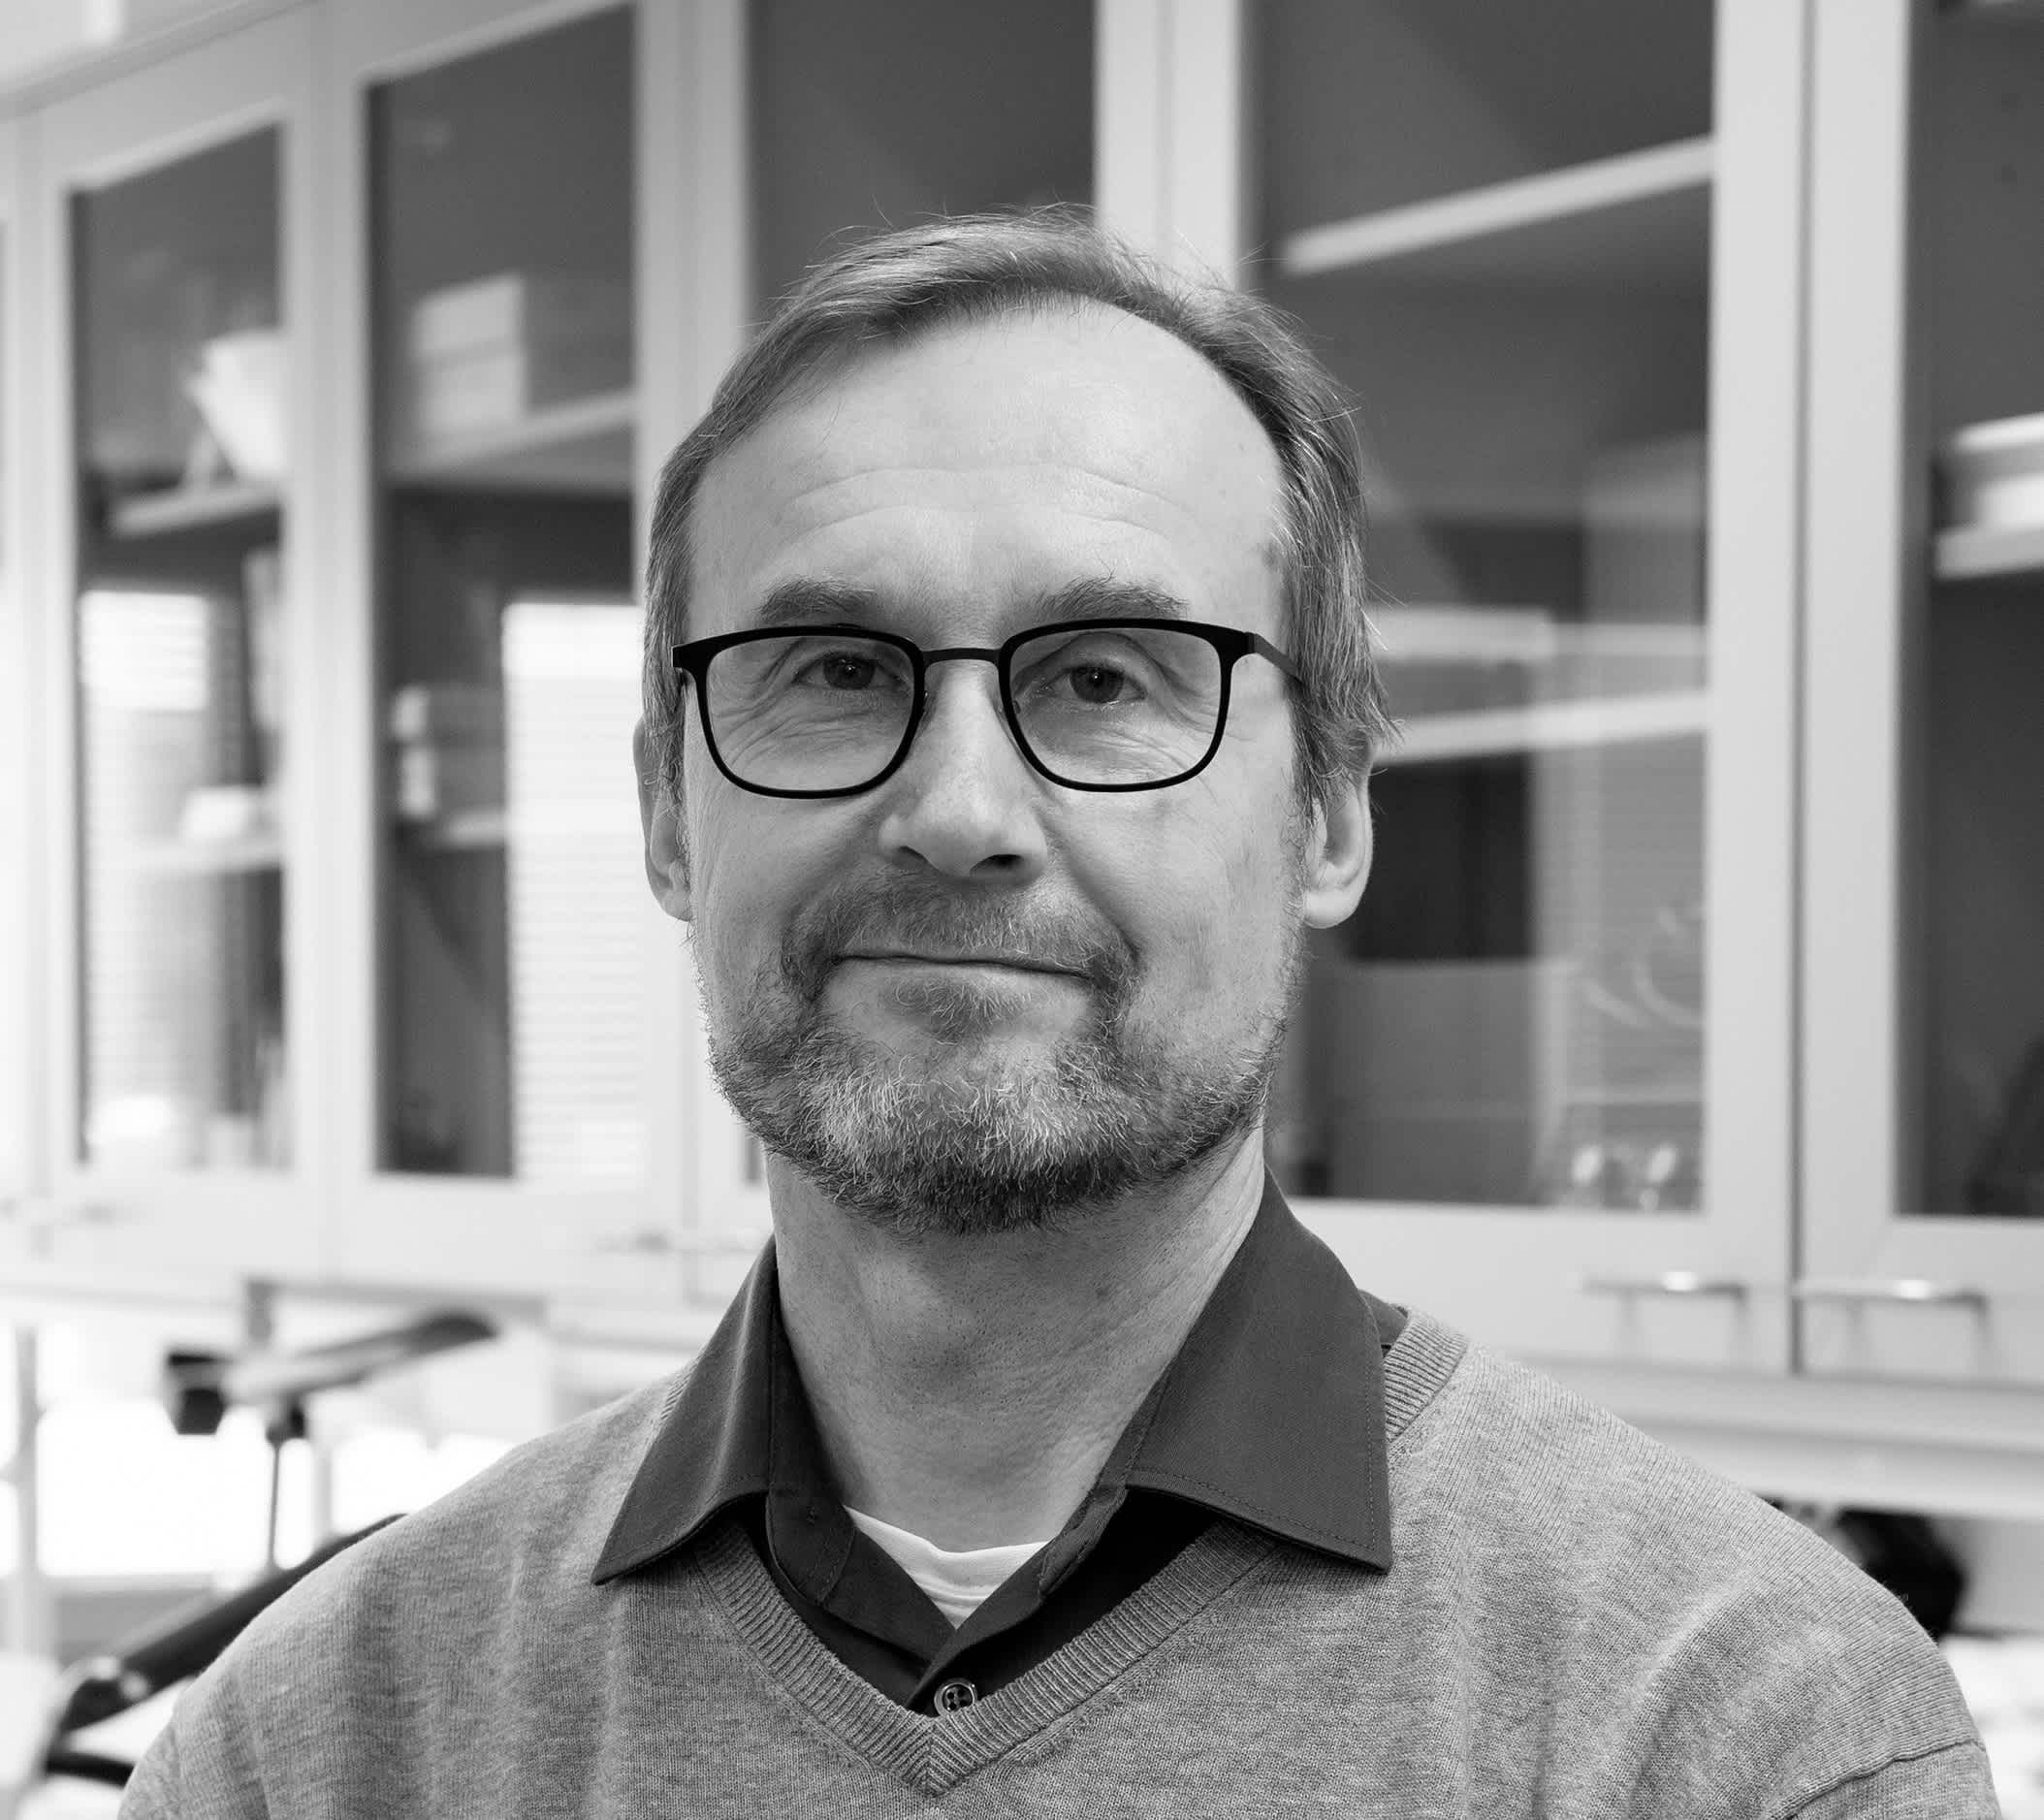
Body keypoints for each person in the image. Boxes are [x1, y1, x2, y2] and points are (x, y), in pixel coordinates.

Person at [119, 208, 1999, 1818]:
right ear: (668, 815)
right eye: (832, 671)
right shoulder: (321, 1743)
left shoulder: (1744, 1732)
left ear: (1329, 815)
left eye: (1106, 678)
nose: (957, 812)